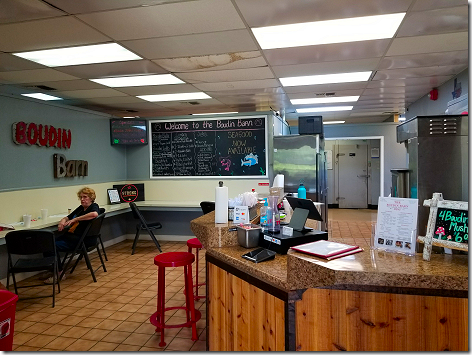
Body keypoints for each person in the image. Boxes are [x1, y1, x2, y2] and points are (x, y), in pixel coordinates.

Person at [44, 187, 100, 284]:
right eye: (81, 197)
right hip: (71, 237)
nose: (82, 199)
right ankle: (53, 269)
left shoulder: (93, 206)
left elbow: (94, 214)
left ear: (91, 198)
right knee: (46, 242)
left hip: (80, 241)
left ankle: (59, 274)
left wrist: (76, 219)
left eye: (85, 197)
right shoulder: (81, 208)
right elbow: (68, 217)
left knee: (49, 246)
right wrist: (62, 221)